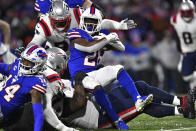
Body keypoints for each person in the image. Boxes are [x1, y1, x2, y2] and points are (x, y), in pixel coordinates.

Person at [67, 7, 153, 130]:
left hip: (94, 73)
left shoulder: (100, 36)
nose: (90, 24)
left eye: (93, 21)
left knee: (117, 68)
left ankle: (138, 100)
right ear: (82, 21)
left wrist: (113, 38)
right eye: (87, 21)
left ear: (99, 24)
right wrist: (106, 39)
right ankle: (117, 121)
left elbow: (121, 48)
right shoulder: (76, 33)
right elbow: (88, 48)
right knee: (94, 84)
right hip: (78, 79)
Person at [28, 0, 136, 51]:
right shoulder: (44, 20)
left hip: (77, 35)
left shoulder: (76, 13)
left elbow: (95, 15)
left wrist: (118, 26)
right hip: (55, 42)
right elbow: (40, 20)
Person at [0, 45, 47, 131]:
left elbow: (38, 115)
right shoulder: (18, 64)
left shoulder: (36, 83)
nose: (24, 64)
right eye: (24, 60)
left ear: (39, 64)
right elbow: (5, 68)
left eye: (29, 62)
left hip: (4, 113)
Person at [170, 0, 196, 106]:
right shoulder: (175, 19)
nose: (186, 15)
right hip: (186, 52)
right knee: (186, 76)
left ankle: (193, 94)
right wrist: (179, 46)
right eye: (184, 12)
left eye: (188, 12)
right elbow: (176, 34)